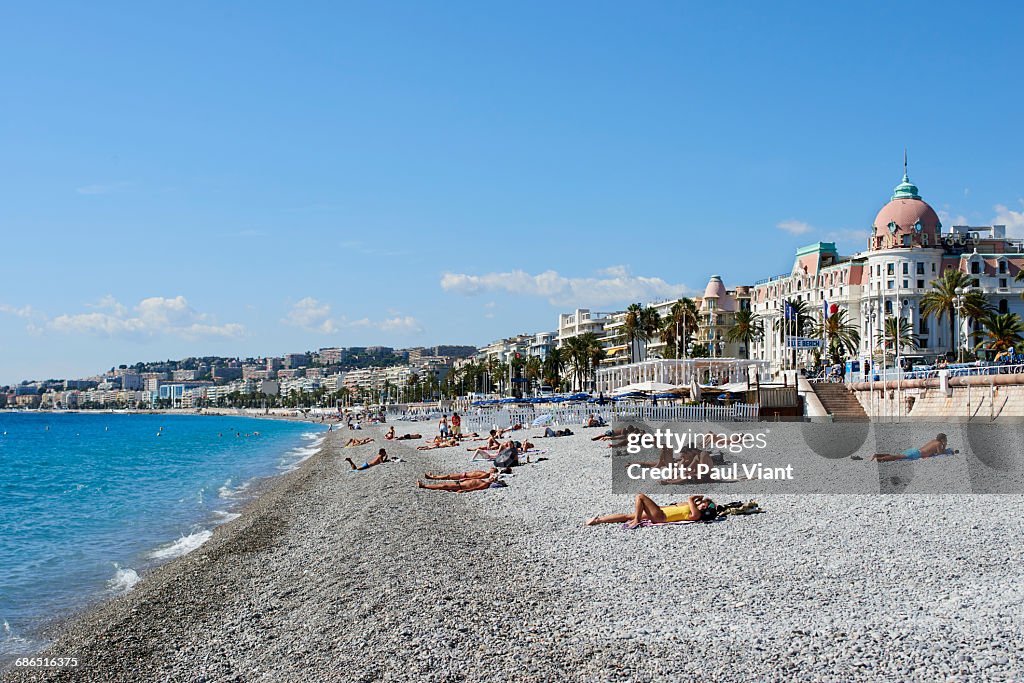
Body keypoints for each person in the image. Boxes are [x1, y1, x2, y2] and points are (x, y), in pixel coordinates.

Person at [586, 494, 717, 528]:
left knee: (640, 496)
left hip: (661, 517)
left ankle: (637, 520)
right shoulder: (691, 506)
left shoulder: (696, 514)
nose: (701, 506)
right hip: (660, 512)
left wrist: (693, 498)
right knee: (627, 515)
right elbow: (676, 506)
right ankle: (598, 520)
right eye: (702, 504)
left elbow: (693, 512)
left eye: (704, 507)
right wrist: (696, 501)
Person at [871, 433, 958, 461]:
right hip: (917, 454)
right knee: (897, 457)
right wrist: (945, 445)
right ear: (942, 439)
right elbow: (940, 453)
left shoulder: (933, 441)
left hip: (916, 450)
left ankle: (877, 455)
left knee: (897, 455)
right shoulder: (938, 444)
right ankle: (879, 459)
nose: (946, 440)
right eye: (945, 439)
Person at [416, 473, 498, 492]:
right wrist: (465, 479)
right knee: (444, 485)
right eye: (492, 477)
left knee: (443, 486)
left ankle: (424, 486)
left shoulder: (486, 484)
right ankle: (425, 485)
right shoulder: (484, 481)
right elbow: (472, 481)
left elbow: (476, 488)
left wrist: (465, 490)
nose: (491, 478)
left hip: (461, 487)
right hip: (460, 483)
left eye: (493, 479)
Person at [423, 467, 497, 480]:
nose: (491, 468)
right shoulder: (485, 472)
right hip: (464, 474)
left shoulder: (486, 474)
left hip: (464, 476)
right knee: (448, 476)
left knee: (448, 476)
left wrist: (466, 479)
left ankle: (432, 477)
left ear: (492, 471)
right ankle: (434, 476)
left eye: (492, 468)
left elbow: (476, 478)